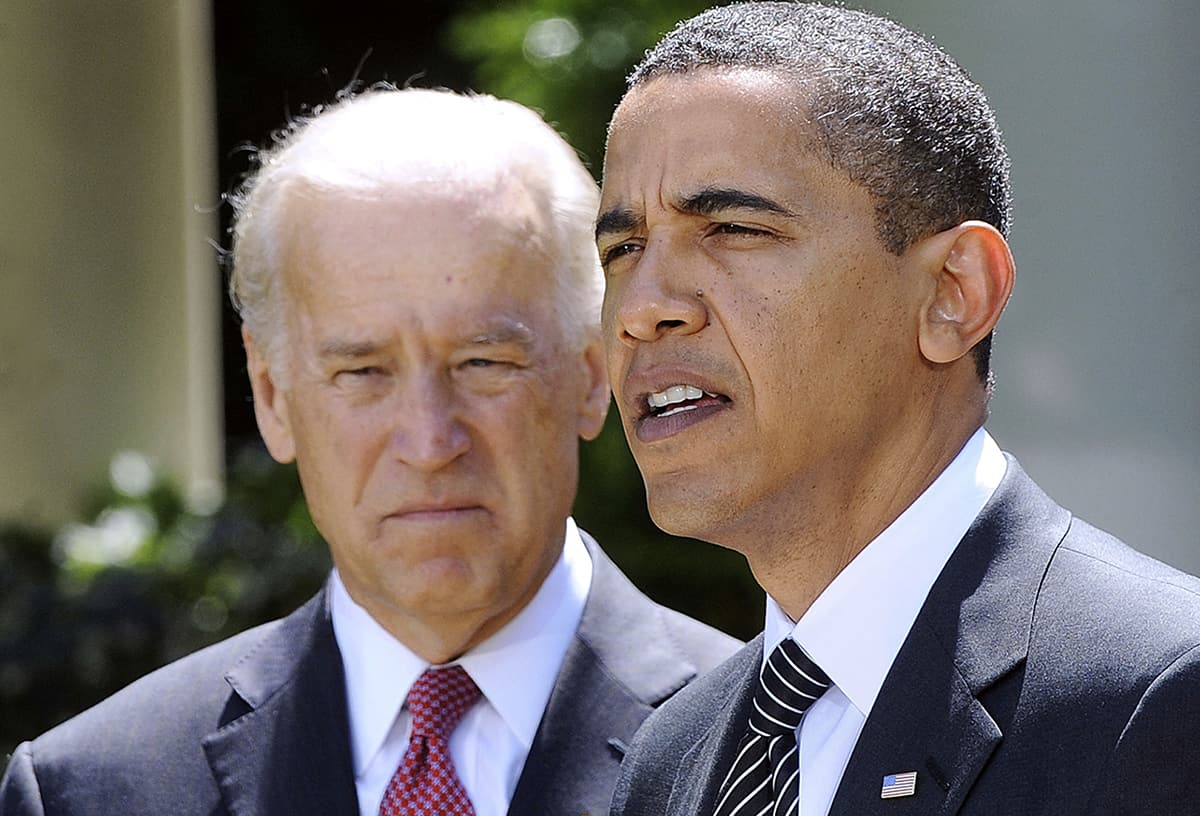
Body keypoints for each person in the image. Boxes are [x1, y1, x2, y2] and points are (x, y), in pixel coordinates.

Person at [0, 87, 739, 816]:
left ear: (590, 374)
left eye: (482, 363)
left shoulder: (769, 754)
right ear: (271, 395)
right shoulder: (88, 791)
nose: (429, 442)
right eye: (362, 373)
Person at [596, 4, 1200, 815]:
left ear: (955, 293)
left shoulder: (1160, 695)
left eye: (732, 228)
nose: (643, 307)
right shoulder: (673, 756)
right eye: (622, 249)